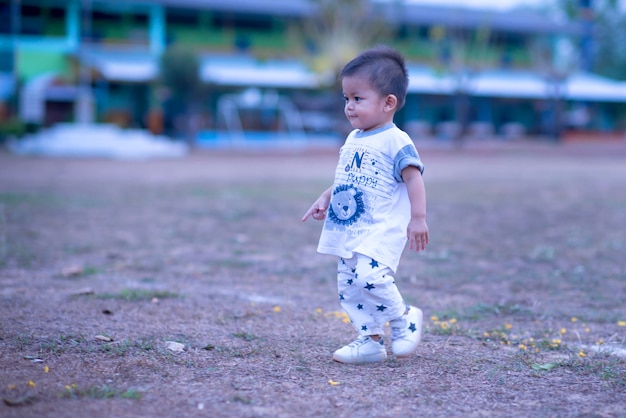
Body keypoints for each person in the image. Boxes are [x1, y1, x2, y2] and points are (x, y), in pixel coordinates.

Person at [301, 45, 429, 363]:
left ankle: (404, 319)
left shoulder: (396, 140)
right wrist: (326, 197)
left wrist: (419, 218)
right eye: (347, 98)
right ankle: (370, 340)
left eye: (358, 99)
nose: (349, 107)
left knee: (370, 278)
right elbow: (349, 179)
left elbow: (414, 178)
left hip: (379, 227)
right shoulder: (354, 139)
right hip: (350, 227)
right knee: (349, 286)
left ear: (388, 103)